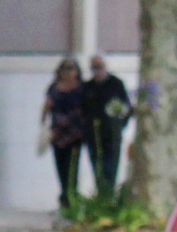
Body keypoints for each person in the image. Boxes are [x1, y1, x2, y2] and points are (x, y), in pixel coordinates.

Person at [40, 57, 87, 210]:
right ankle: (64, 195)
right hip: (58, 133)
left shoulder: (81, 88)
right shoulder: (54, 88)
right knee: (61, 165)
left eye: (72, 68)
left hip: (75, 133)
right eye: (65, 68)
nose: (68, 72)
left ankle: (72, 195)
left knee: (73, 165)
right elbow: (47, 106)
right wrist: (43, 125)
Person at [84, 52, 131, 196]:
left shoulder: (116, 84)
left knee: (110, 168)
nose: (97, 70)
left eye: (100, 66)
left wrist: (120, 125)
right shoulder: (87, 87)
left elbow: (126, 107)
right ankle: (101, 195)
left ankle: (109, 195)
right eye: (94, 67)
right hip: (94, 135)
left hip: (112, 134)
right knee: (97, 169)